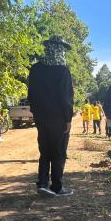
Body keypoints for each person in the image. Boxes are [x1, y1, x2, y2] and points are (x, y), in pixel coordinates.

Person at [28, 36, 74, 197]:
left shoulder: (35, 69)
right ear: (60, 50)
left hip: (41, 118)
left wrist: (36, 113)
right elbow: (65, 97)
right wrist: (68, 118)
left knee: (45, 151)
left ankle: (42, 183)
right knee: (59, 152)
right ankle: (57, 187)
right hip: (59, 119)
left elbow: (31, 95)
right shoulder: (62, 70)